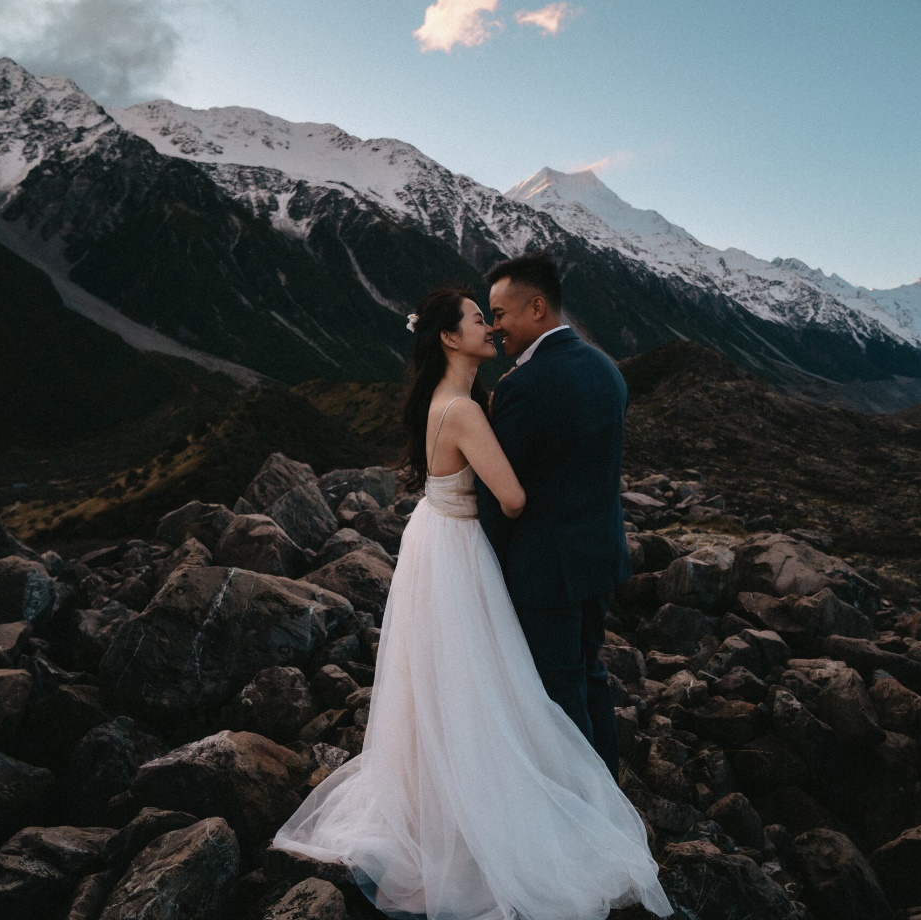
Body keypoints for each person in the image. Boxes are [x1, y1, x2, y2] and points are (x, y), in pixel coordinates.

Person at [272, 287, 670, 920]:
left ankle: (438, 804)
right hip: (458, 547)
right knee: (482, 679)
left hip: (433, 537)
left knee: (444, 677)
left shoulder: (448, 401)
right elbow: (510, 497)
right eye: (478, 320)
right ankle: (486, 812)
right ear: (449, 339)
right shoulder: (465, 410)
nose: (491, 327)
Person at [477, 251, 629, 777]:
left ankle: (582, 815)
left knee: (557, 693)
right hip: (599, 559)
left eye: (500, 314)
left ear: (537, 307)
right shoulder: (606, 369)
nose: (495, 329)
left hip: (546, 572)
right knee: (590, 676)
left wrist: (480, 566)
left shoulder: (527, 383)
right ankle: (610, 796)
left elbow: (502, 494)